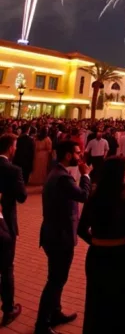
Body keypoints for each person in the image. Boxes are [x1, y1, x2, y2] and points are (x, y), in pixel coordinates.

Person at [77, 157, 125, 334]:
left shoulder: (93, 199)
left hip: (97, 256)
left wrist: (98, 242)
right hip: (122, 257)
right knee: (124, 303)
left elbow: (81, 229)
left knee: (98, 301)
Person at [36, 140, 91, 334]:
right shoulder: (62, 177)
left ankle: (55, 313)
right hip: (60, 236)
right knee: (56, 280)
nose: (80, 156)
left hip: (54, 233)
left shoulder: (57, 172)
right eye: (77, 153)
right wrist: (86, 175)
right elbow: (83, 195)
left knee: (57, 278)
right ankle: (42, 324)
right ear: (68, 155)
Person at [0, 134, 26, 326]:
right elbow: (22, 197)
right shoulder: (14, 170)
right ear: (10, 148)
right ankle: (8, 309)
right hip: (5, 223)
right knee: (6, 267)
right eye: (15, 146)